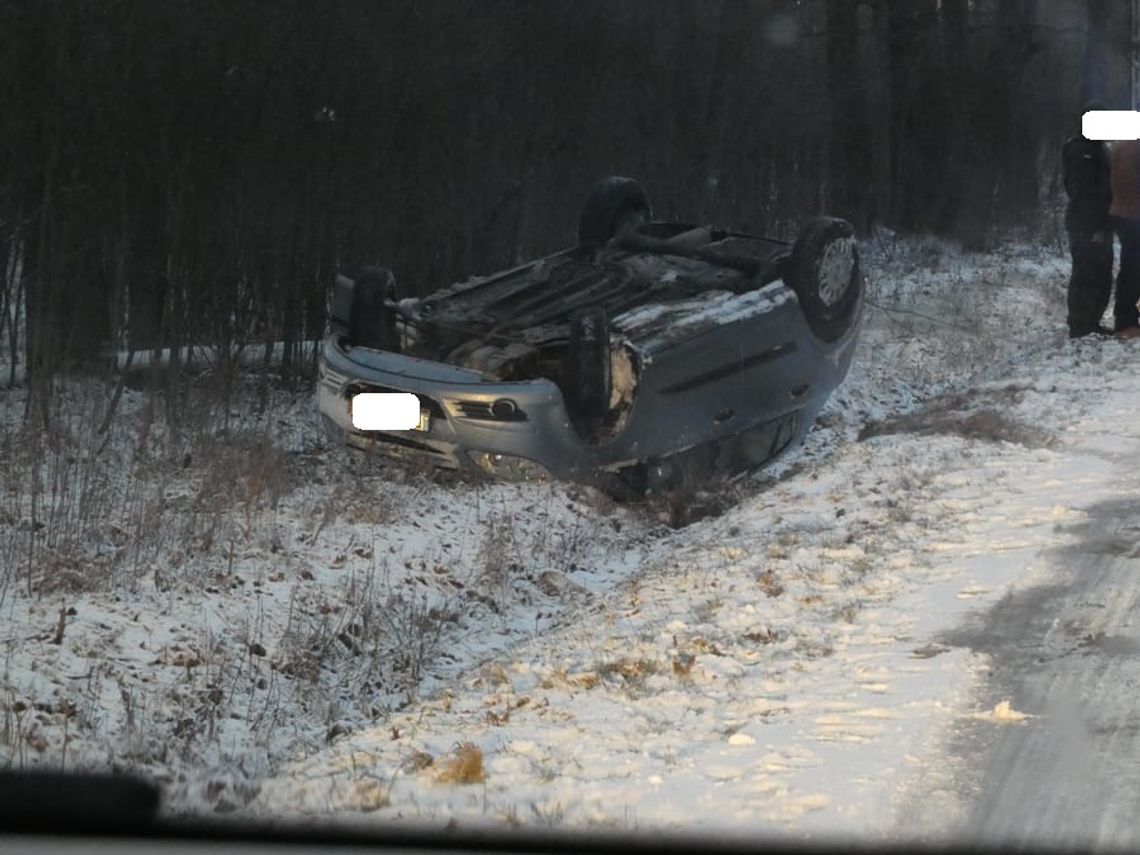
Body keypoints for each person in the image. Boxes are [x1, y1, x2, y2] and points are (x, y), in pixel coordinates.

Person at [1062, 103, 1113, 338]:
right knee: (1086, 273)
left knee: (1100, 273)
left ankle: (1091, 320)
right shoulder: (1082, 151)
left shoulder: (1098, 148)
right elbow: (1082, 192)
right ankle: (1081, 323)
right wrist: (1094, 225)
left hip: (1100, 221)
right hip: (1086, 223)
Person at [1110, 136, 1140, 336]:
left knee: (1132, 267)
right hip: (1133, 214)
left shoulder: (1125, 144)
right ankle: (1126, 321)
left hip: (1126, 213)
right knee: (1133, 268)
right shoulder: (1133, 147)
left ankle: (1125, 319)